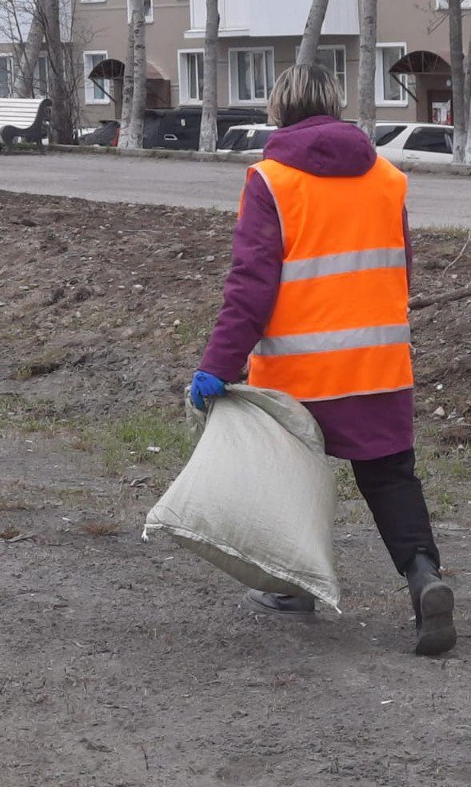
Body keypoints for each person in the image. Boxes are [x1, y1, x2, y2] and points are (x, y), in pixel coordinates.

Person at [188, 63, 455, 656]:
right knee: (390, 477)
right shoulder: (388, 177)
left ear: (277, 110)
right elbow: (400, 268)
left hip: (298, 373)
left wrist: (218, 364)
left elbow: (251, 285)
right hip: (379, 365)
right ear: (335, 106)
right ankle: (424, 577)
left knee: (290, 478)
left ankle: (292, 589)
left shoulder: (271, 180)